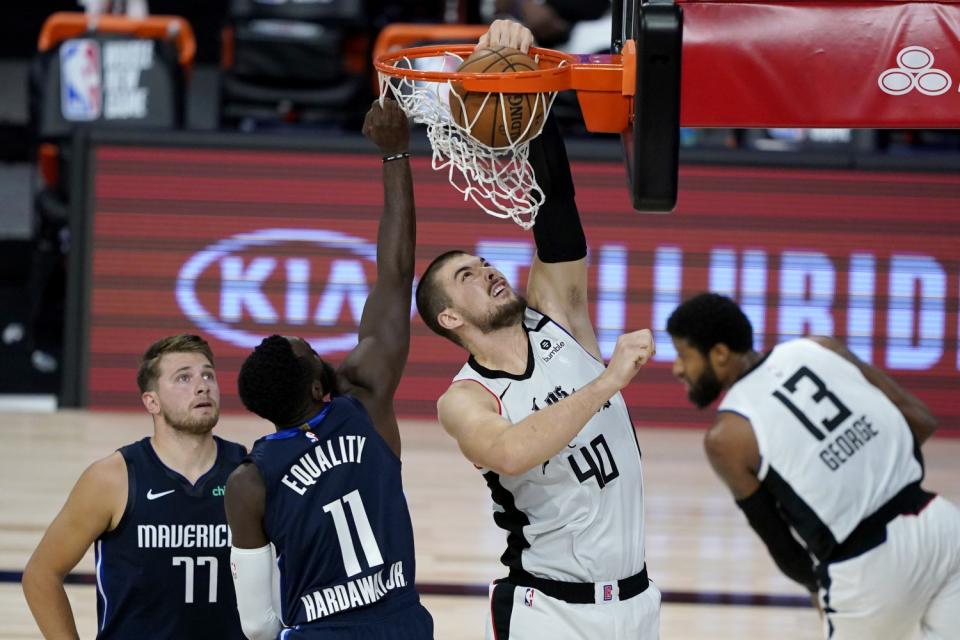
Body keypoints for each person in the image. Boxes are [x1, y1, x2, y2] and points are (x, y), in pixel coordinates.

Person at [413, 20, 660, 639]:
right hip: (547, 611)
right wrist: (608, 382)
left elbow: (559, 219)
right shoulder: (465, 399)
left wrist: (534, 85)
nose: (490, 272)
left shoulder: (557, 322)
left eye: (486, 262)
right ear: (450, 318)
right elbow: (512, 451)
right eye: (468, 276)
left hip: (637, 602)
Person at [224, 98, 433, 640]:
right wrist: (395, 156)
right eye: (314, 350)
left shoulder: (249, 480)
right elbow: (396, 271)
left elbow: (256, 624)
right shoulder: (363, 400)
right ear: (319, 386)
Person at [666, 292, 960, 640]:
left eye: (684, 355)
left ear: (719, 353)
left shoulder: (727, 437)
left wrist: (818, 590)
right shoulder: (820, 347)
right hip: (944, 528)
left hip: (866, 571)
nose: (677, 368)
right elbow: (921, 420)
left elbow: (786, 551)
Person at [22, 334, 247, 638]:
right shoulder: (112, 478)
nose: (202, 385)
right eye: (183, 378)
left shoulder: (247, 471)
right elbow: (41, 575)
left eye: (208, 374)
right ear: (151, 401)